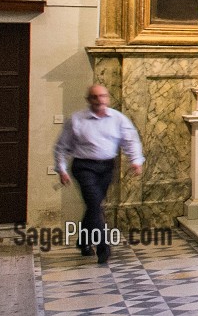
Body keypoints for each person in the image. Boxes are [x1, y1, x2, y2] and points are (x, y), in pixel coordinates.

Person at [53, 84, 144, 265]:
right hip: (84, 167)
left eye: (102, 96)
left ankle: (83, 241)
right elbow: (62, 146)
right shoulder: (77, 120)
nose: (99, 100)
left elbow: (130, 140)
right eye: (95, 97)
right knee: (95, 204)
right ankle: (104, 246)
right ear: (88, 100)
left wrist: (136, 160)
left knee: (93, 205)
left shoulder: (118, 119)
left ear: (107, 98)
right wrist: (61, 169)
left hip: (107, 167)